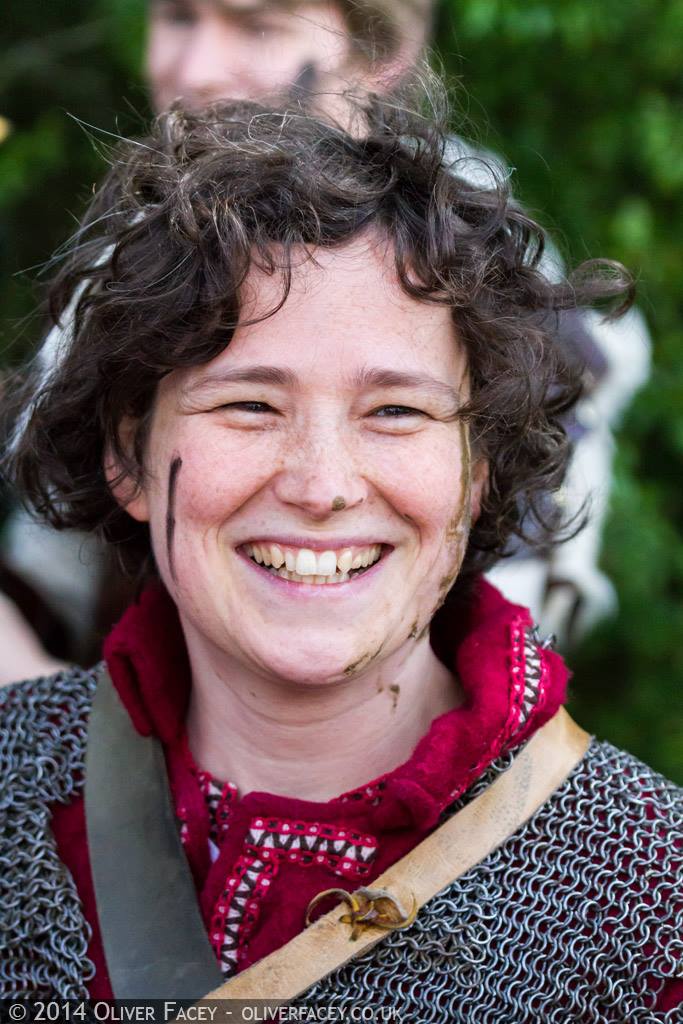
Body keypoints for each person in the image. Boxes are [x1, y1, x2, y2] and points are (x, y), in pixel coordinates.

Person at [1, 89, 679, 1015]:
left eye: (395, 411)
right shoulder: (18, 787)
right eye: (249, 404)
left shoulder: (648, 899)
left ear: (477, 469)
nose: (322, 486)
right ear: (130, 456)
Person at [0, 0, 651, 681]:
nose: (195, 70)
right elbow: (53, 580)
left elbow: (492, 673)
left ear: (379, 55)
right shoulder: (123, 268)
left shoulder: (486, 288)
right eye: (180, 18)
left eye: (258, 26)